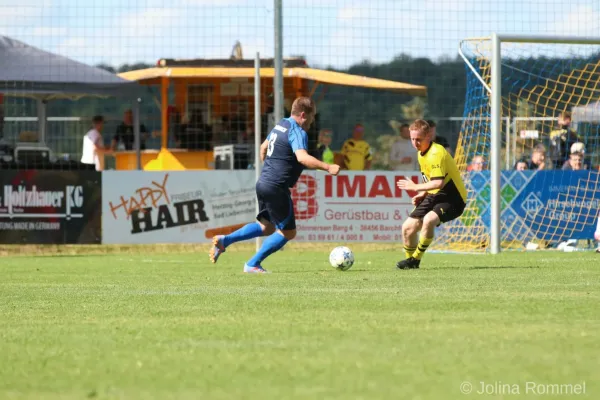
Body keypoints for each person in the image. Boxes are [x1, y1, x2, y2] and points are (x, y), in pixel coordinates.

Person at [209, 97, 340, 273]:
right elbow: (302, 157)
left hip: (263, 182)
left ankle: (224, 241)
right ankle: (252, 264)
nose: (312, 120)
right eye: (312, 116)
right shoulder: (297, 131)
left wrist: (269, 169)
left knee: (267, 227)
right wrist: (328, 167)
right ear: (303, 114)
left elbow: (263, 147)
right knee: (288, 232)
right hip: (276, 186)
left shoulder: (281, 125)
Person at [396, 119, 467, 269]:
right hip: (434, 195)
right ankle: (410, 263)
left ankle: (415, 259)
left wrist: (415, 187)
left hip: (453, 197)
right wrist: (422, 193)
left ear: (428, 136)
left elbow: (438, 183)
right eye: (412, 139)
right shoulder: (421, 153)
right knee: (407, 228)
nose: (415, 143)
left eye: (419, 139)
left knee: (429, 220)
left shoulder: (437, 153)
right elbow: (431, 181)